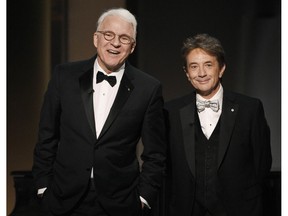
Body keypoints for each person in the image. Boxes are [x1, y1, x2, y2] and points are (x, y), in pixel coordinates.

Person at [32, 8, 166, 216]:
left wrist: (143, 198)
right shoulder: (64, 76)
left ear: (132, 47)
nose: (115, 43)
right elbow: (46, 136)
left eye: (124, 38)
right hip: (62, 198)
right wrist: (43, 187)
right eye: (108, 35)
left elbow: (155, 153)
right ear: (96, 38)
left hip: (120, 203)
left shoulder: (148, 88)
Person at [164, 33, 272, 216]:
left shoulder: (250, 109)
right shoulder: (170, 112)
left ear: (221, 69)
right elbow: (166, 170)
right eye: (194, 66)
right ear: (187, 73)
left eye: (208, 65)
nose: (201, 73)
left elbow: (261, 165)